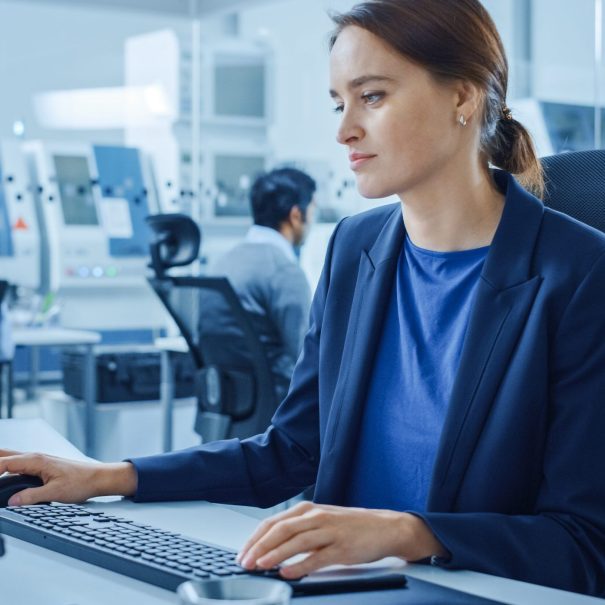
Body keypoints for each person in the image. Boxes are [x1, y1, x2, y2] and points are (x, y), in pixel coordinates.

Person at [1, 0, 604, 596]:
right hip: (341, 589)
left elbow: (584, 543)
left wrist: (410, 532)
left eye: (372, 96)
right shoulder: (354, 248)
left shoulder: (578, 273)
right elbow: (290, 451)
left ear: (463, 97)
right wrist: (110, 476)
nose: (344, 129)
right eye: (340, 103)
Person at [209, 168, 315, 401]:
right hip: (277, 408)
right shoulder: (283, 271)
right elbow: (307, 357)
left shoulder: (223, 261)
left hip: (231, 403)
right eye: (312, 211)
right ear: (296, 215)